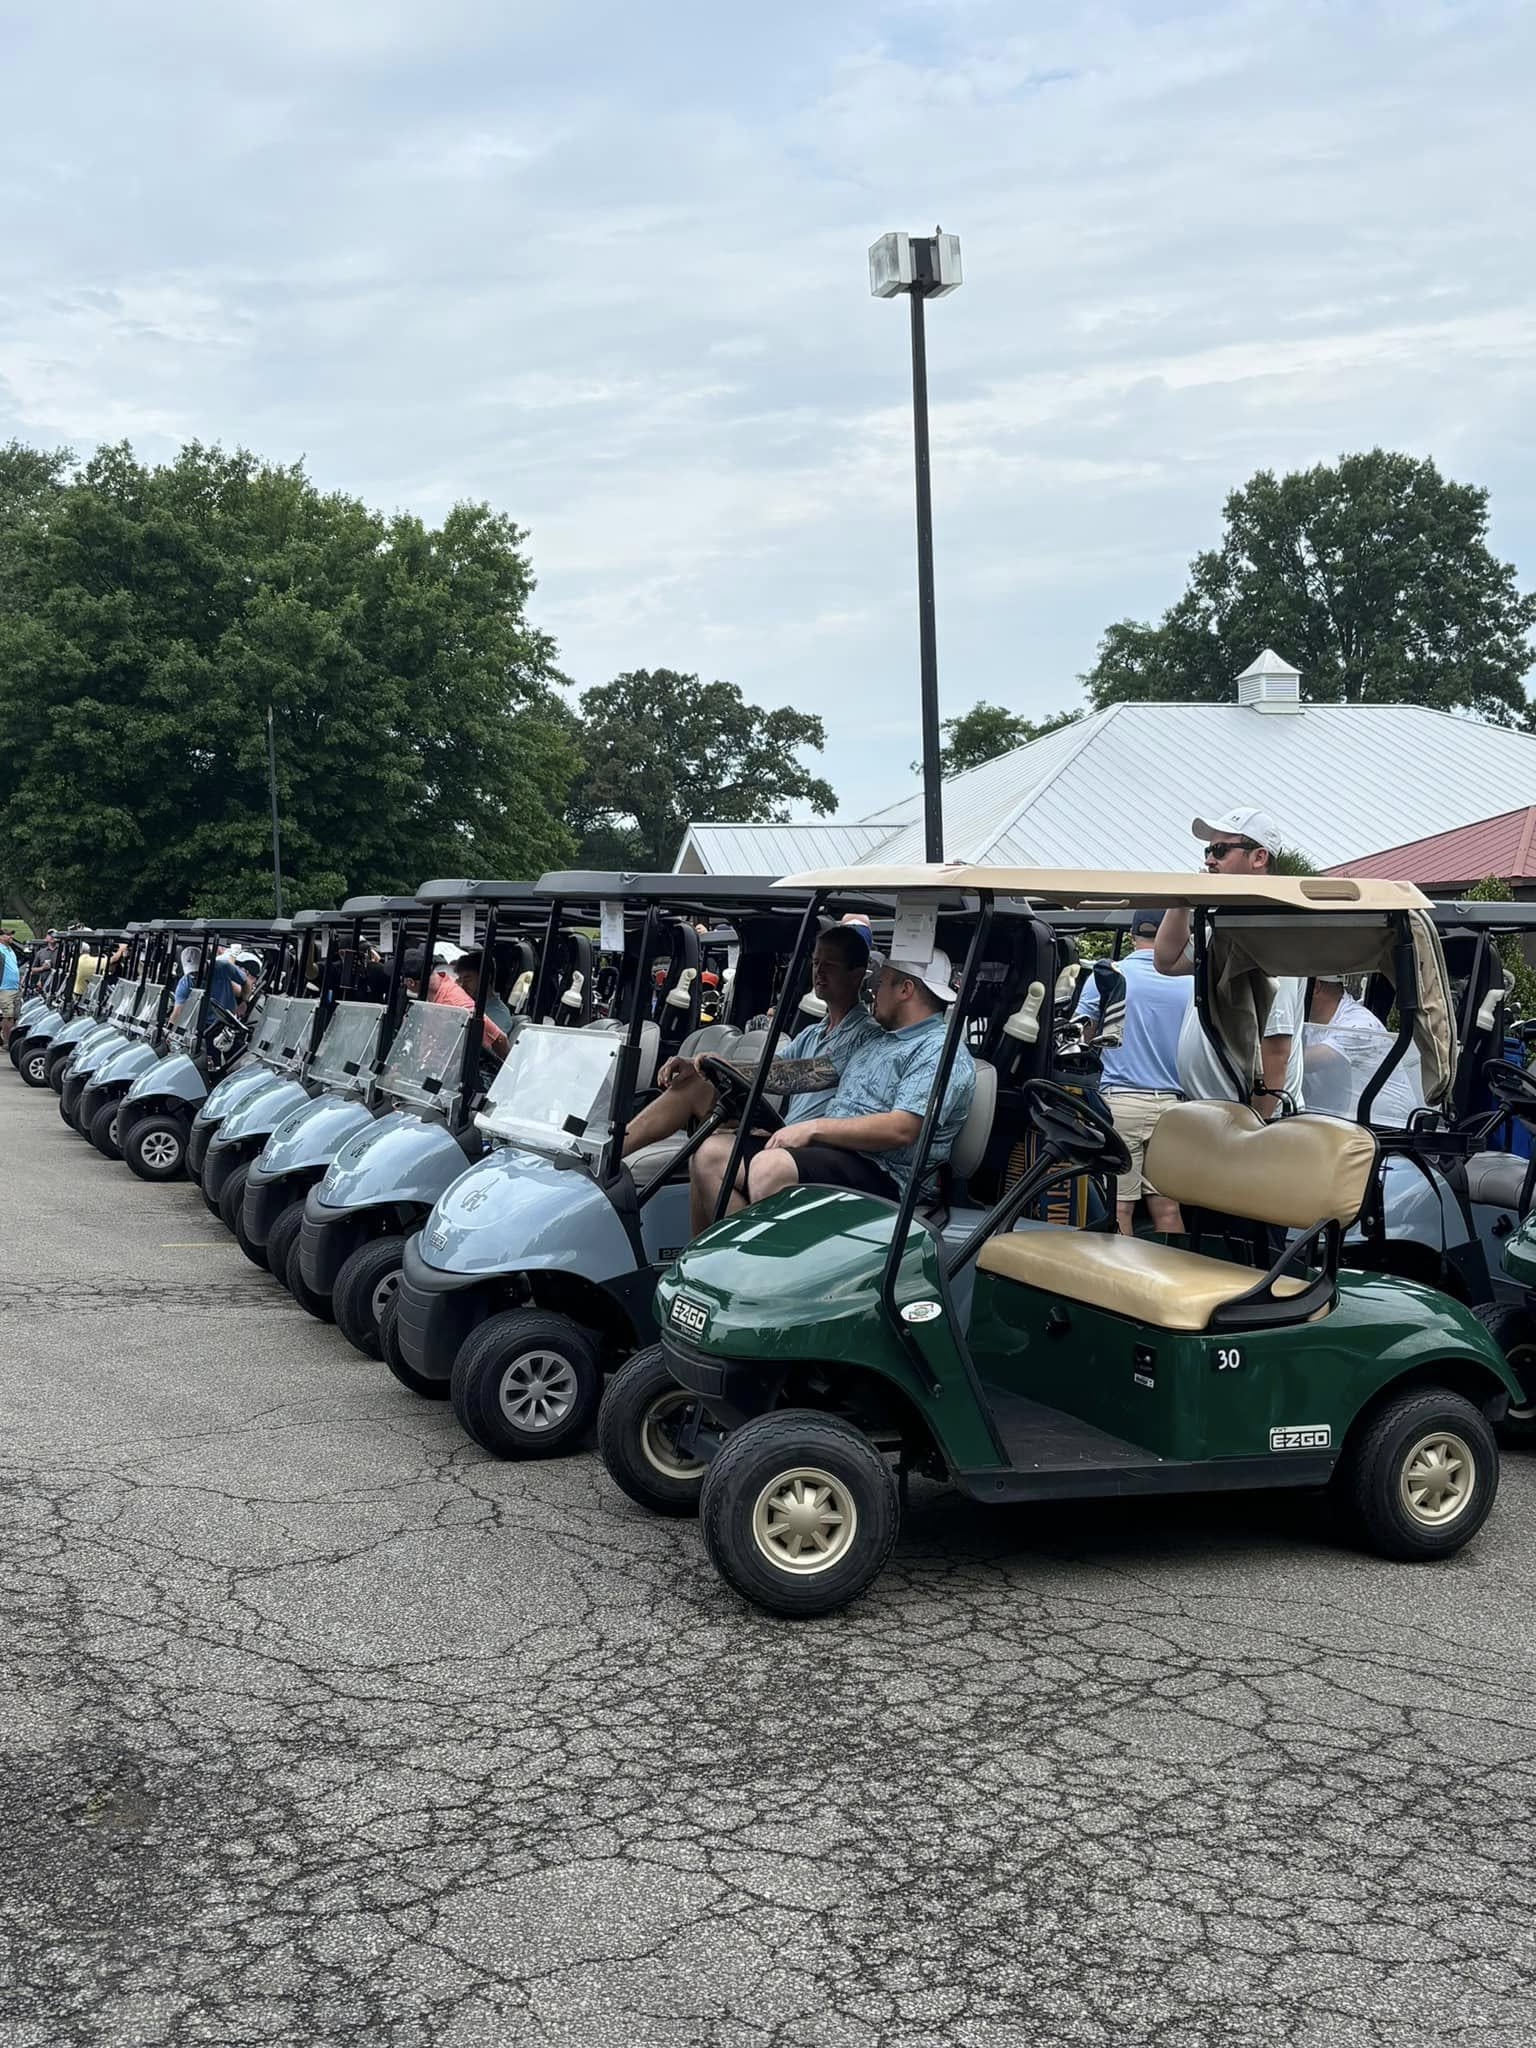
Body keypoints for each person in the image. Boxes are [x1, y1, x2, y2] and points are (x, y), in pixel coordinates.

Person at [623, 923, 880, 1234]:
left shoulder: (865, 1035)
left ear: (856, 974)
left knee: (708, 1153)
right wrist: (704, 1066)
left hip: (818, 1150)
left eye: (830, 965)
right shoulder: (814, 1032)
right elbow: (770, 1066)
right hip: (787, 1131)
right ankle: (611, 1156)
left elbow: (792, 1076)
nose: (819, 972)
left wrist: (717, 1063)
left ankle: (737, 1254)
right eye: (815, 963)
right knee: (693, 1087)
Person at [694, 943, 976, 1222]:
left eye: (881, 982)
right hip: (837, 1156)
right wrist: (727, 1068)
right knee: (712, 1155)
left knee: (771, 1167)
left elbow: (902, 1129)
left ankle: (766, 1265)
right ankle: (728, 1261)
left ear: (905, 990)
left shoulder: (938, 1050)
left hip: (888, 1174)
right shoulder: (877, 1039)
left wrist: (814, 1128)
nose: (872, 990)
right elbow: (804, 1074)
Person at [1153, 807, 1305, 1119]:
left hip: (1251, 1119)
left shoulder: (1273, 936)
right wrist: (1183, 899)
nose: (1209, 860)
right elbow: (1166, 961)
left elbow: (1276, 1049)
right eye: (1208, 850)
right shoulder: (1224, 927)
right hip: (1217, 1113)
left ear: (1259, 858)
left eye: (1220, 850)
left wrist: (1252, 1133)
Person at [1074, 912, 1193, 1236]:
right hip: (1176, 1107)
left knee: (1120, 1207)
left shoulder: (1110, 975)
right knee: (1168, 1208)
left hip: (1121, 1103)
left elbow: (1081, 1038)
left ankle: (1122, 1283)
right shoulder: (1192, 980)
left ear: (1131, 936)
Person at [0, 930, 19, 1048]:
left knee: (13, 1016)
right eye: (7, 935)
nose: (11, 937)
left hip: (15, 987)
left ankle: (6, 1040)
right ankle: (8, 1043)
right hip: (4, 987)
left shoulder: (11, 950)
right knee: (8, 1015)